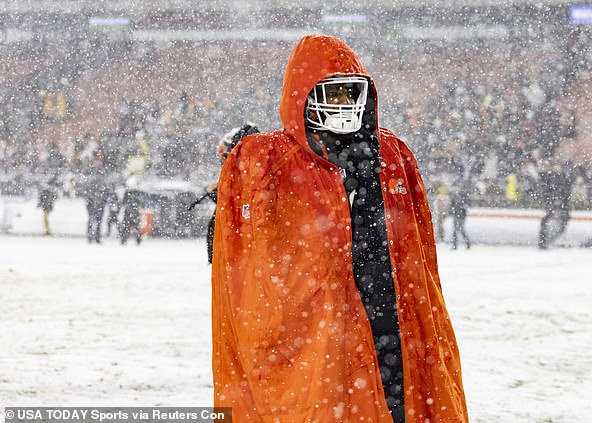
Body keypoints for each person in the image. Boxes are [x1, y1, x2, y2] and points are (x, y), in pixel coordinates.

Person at [212, 35, 467, 422]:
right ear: (305, 95)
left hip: (388, 323)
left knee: (397, 405)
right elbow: (246, 246)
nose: (344, 105)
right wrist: (242, 165)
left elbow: (419, 256)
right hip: (322, 334)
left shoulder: (390, 157)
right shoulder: (272, 161)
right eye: (333, 94)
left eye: (351, 93)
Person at [189, 124, 259, 263]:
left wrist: (215, 191)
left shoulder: (246, 184)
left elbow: (236, 207)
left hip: (239, 263)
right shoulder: (246, 181)